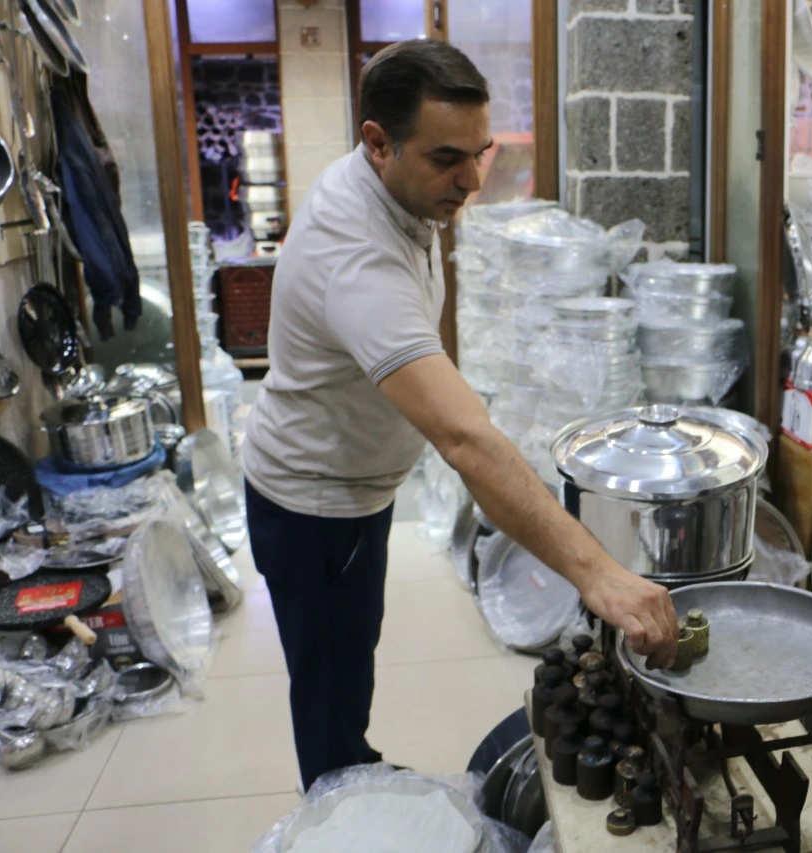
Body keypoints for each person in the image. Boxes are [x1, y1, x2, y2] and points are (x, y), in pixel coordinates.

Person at [239, 39, 679, 792]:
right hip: (314, 506)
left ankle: (352, 772)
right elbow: (464, 441)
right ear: (377, 142)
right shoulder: (356, 254)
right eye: (447, 158)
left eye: (480, 153)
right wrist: (599, 575)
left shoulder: (399, 195)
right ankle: (338, 806)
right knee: (331, 694)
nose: (472, 181)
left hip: (352, 490)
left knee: (346, 667)